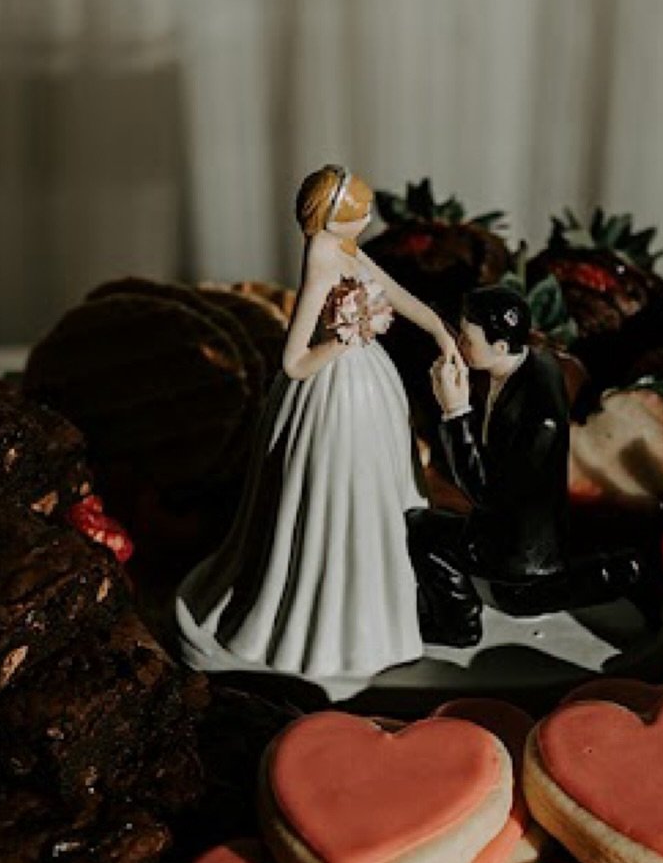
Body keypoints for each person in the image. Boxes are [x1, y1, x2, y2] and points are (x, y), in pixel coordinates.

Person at [175, 165, 458, 687]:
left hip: (369, 387)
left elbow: (394, 292)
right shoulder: (323, 257)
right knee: (332, 501)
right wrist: (346, 339)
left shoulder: (348, 249)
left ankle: (382, 614)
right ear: (332, 219)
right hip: (333, 397)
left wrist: (441, 331)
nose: (369, 218)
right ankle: (323, 627)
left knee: (378, 496)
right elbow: (294, 361)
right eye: (360, 212)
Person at [407, 286, 645, 646]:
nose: (459, 345)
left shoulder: (538, 422)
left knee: (423, 531)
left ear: (500, 347)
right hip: (525, 528)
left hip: (519, 547)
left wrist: (455, 411)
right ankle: (607, 573)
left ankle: (458, 626)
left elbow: (485, 493)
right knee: (518, 596)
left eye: (468, 339)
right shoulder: (534, 361)